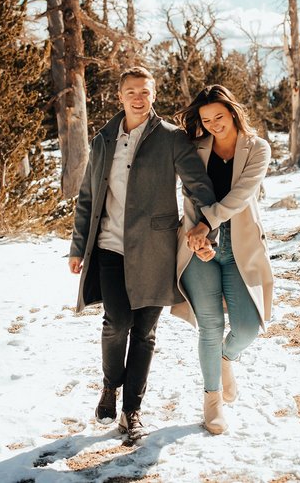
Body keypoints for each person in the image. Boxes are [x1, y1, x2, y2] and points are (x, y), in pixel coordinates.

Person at [68, 66, 217, 441]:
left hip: (155, 248)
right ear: (120, 96)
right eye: (131, 91)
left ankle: (132, 411)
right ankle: (109, 385)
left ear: (153, 95)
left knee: (145, 332)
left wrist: (208, 225)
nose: (138, 98)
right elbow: (87, 198)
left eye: (145, 92)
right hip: (109, 246)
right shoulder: (103, 139)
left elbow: (198, 185)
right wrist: (77, 245)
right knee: (116, 322)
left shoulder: (171, 138)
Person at [171, 84, 273, 435]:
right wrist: (197, 237)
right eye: (206, 119)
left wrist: (206, 224)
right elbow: (189, 197)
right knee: (210, 327)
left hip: (240, 248)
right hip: (198, 249)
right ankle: (212, 403)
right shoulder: (196, 149)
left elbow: (241, 196)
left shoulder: (257, 148)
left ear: (232, 111)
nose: (214, 124)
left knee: (246, 327)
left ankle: (227, 359)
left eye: (219, 116)